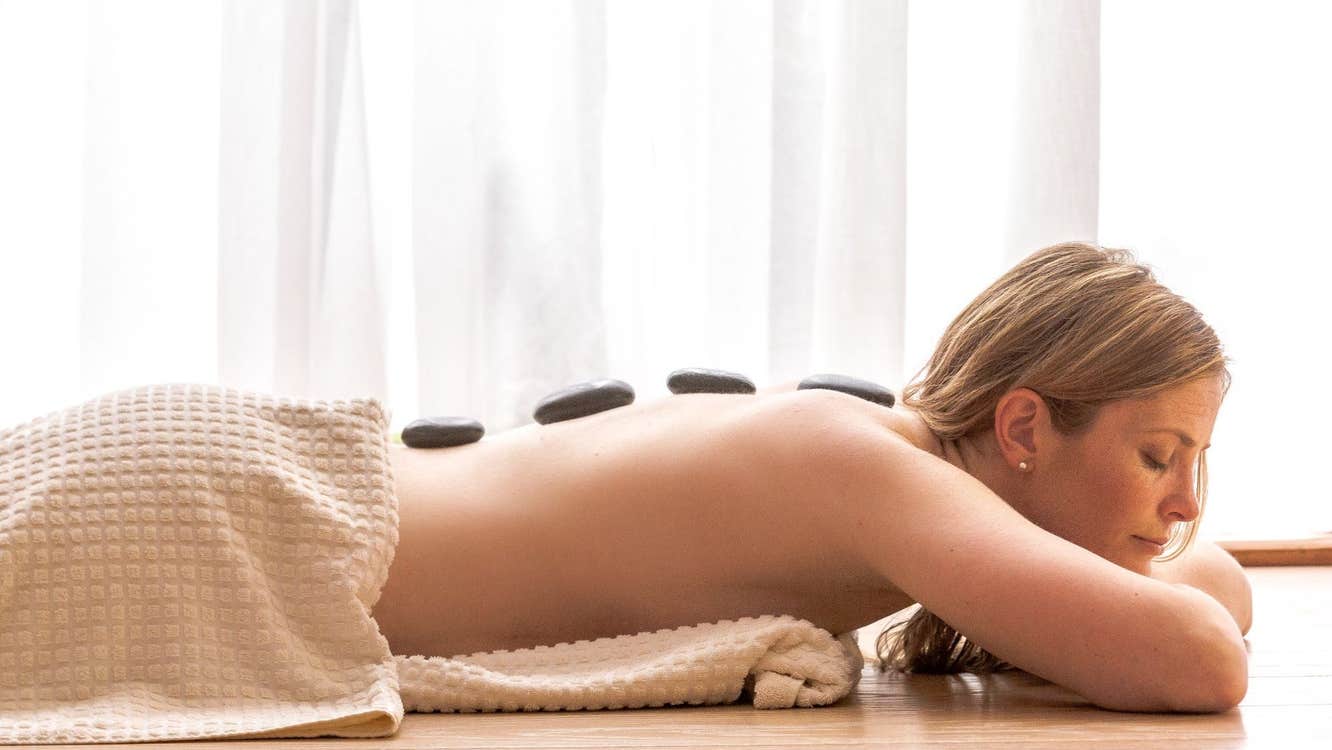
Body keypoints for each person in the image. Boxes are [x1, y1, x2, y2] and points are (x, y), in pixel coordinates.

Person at [370, 241, 1251, 714]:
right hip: (298, 528)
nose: (1180, 503)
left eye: (1194, 465)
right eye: (1156, 456)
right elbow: (1203, 656)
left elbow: (1221, 593)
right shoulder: (872, 470)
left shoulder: (881, 446)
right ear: (1023, 426)